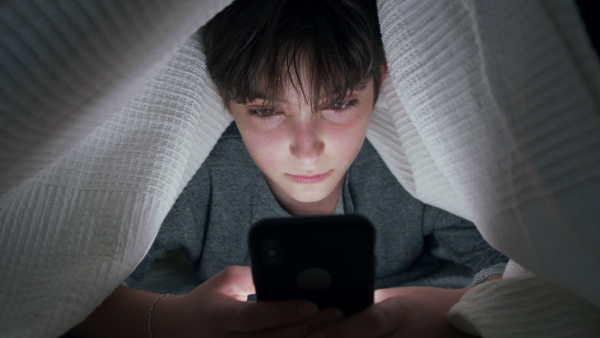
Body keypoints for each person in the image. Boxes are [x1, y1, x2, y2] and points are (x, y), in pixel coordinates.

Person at [69, 0, 507, 337]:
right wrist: (171, 320)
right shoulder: (204, 177)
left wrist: (449, 311)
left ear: (381, 81)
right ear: (225, 99)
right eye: (264, 110)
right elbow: (68, 293)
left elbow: (519, 266)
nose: (306, 149)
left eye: (338, 103)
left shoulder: (412, 165)